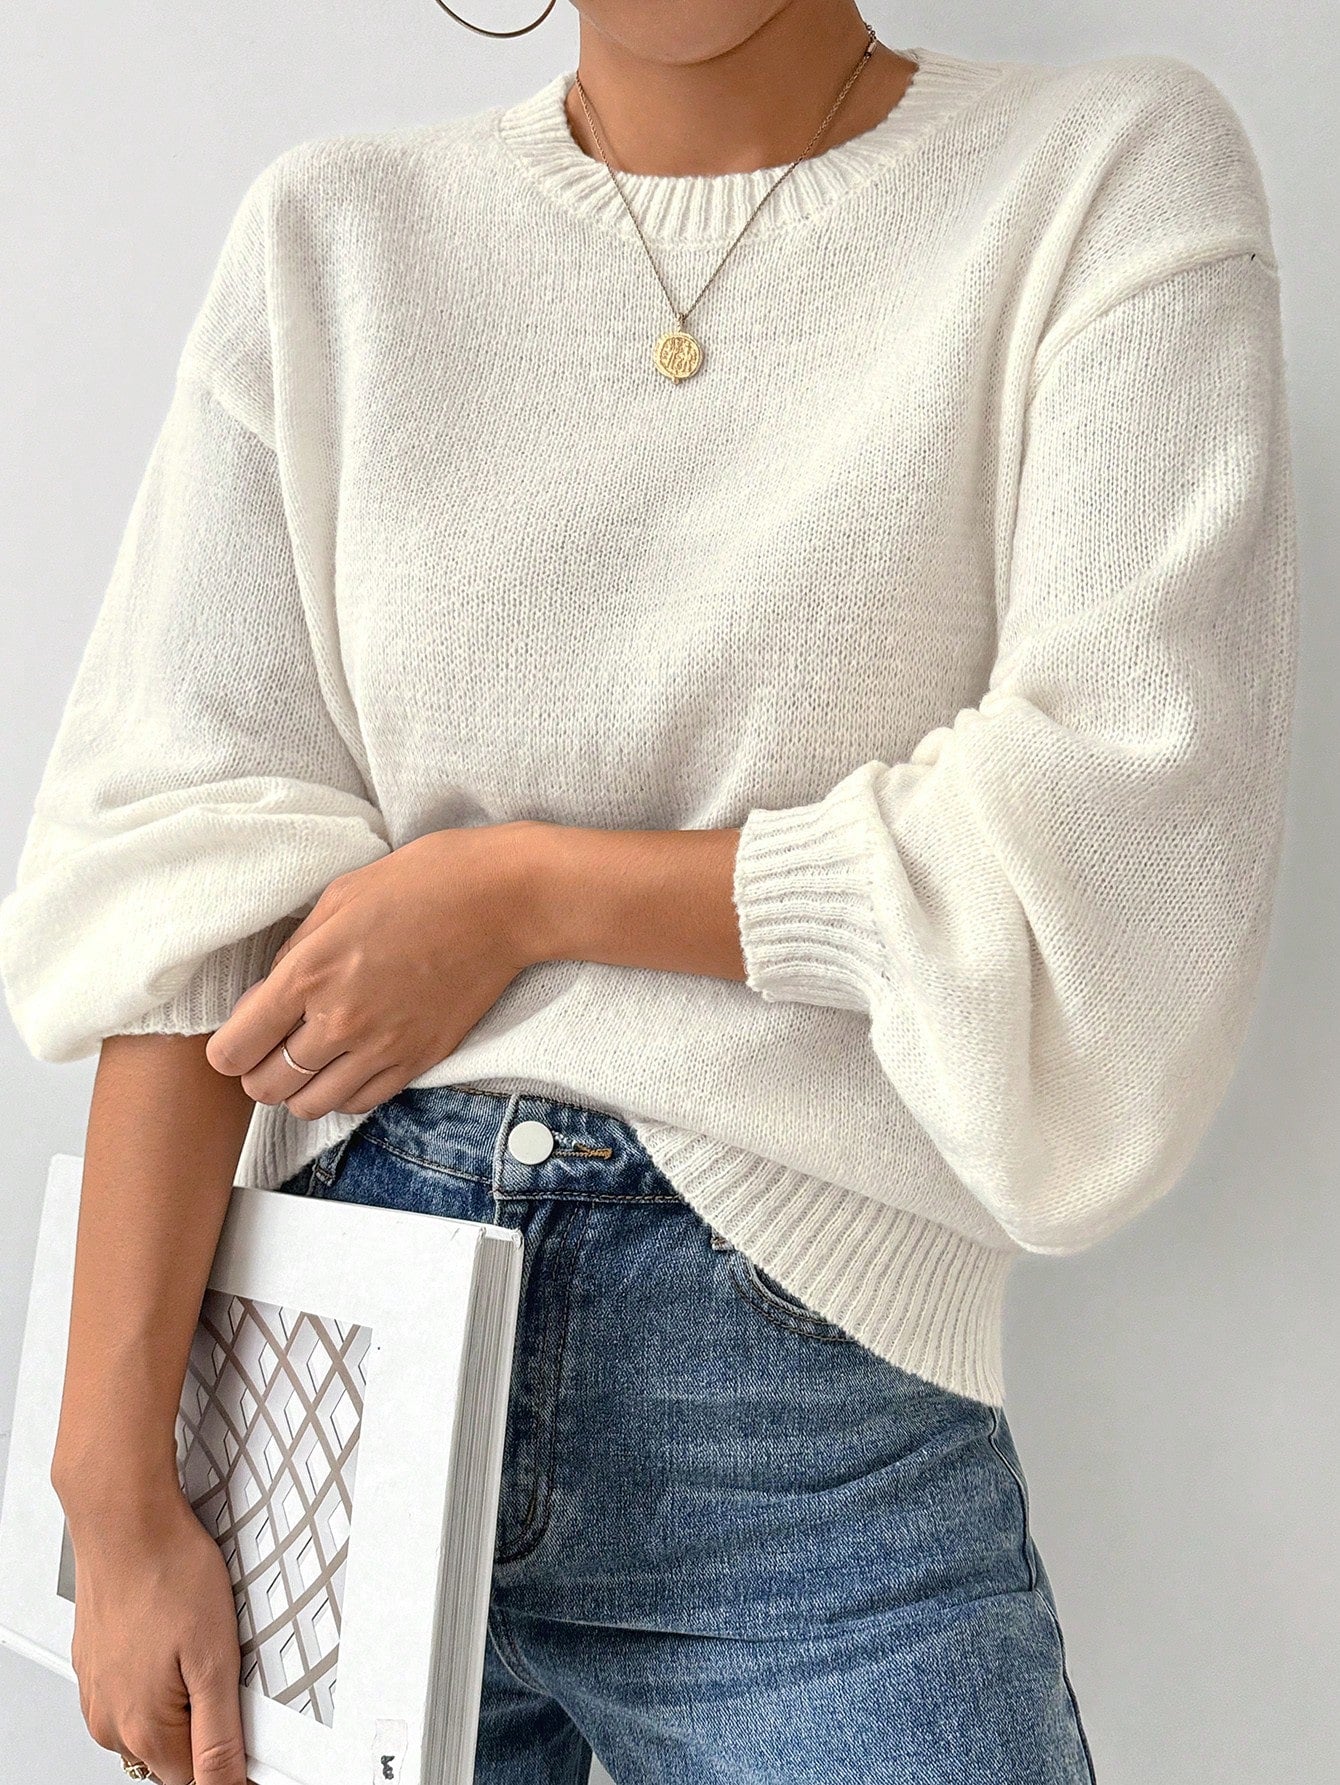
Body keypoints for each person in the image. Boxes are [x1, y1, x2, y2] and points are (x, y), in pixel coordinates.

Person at [0, 0, 1297, 1780]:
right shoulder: (339, 232)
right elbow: (183, 874)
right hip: (333, 1383)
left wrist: (521, 895)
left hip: (808, 1429)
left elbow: (1120, 841)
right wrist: (112, 1476)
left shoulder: (1099, 177)